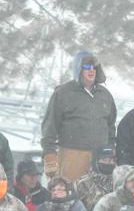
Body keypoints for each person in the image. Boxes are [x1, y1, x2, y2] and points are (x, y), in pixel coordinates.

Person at [41, 51, 116, 183]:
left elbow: (111, 127)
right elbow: (49, 127)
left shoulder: (105, 95)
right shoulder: (63, 93)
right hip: (71, 157)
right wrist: (49, 155)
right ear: (78, 68)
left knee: (98, 193)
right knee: (71, 192)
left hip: (100, 159)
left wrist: (109, 152)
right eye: (87, 67)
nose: (91, 70)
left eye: (94, 67)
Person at [74, 145, 117, 211]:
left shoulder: (119, 181)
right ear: (95, 161)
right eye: (105, 160)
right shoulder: (82, 183)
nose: (110, 163)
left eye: (112, 160)